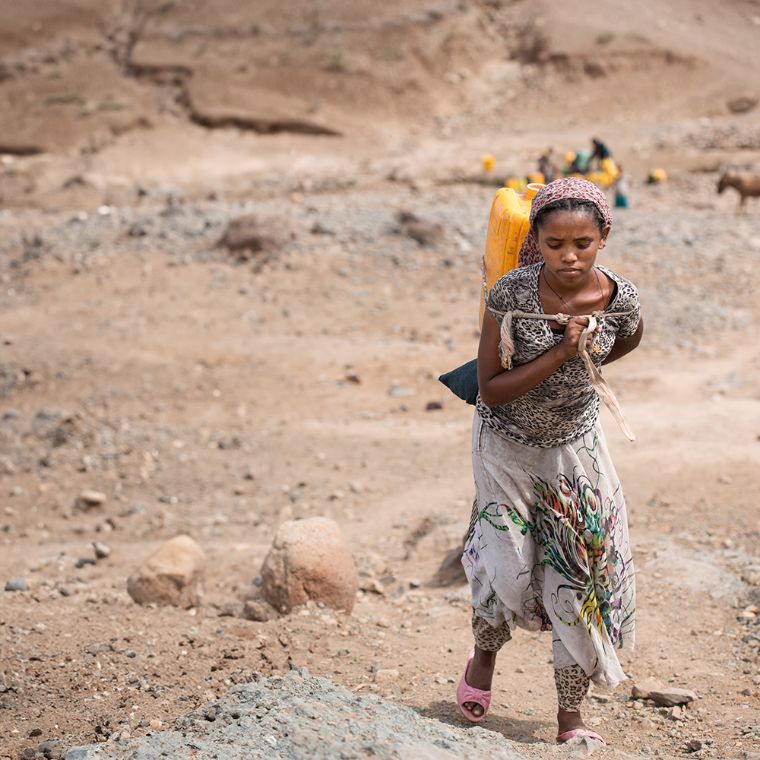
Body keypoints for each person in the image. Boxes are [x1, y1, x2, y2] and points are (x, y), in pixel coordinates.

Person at [456, 178, 643, 746]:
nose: (569, 256)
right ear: (535, 238)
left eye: (582, 243)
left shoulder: (620, 298)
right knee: (505, 565)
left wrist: (587, 358)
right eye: (555, 243)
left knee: (579, 573)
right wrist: (564, 351)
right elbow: (491, 388)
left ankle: (570, 718)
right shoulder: (511, 295)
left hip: (575, 450)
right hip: (506, 444)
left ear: (603, 237)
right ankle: (484, 654)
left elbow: (628, 338)